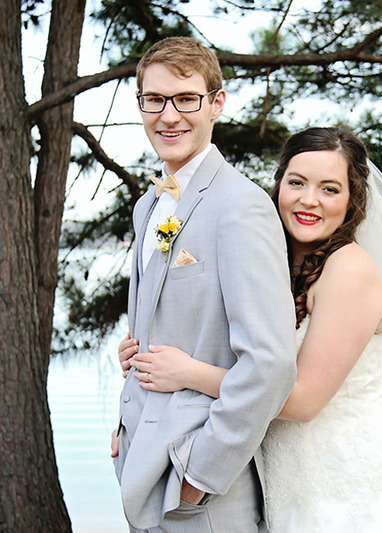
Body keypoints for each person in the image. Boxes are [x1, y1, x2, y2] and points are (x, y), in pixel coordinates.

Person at [120, 127, 382, 532]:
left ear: (352, 200)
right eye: (297, 183)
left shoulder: (350, 269)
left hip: (347, 483)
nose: (309, 200)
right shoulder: (273, 259)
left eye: (329, 189)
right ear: (279, 186)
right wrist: (143, 357)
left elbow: (304, 400)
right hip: (285, 481)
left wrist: (188, 373)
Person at [110, 36, 297, 533]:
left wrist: (201, 474)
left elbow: (270, 362)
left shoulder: (241, 206)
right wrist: (129, 413)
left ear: (216, 103)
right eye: (154, 100)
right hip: (143, 463)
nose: (168, 116)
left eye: (185, 99)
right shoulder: (148, 206)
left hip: (203, 490)